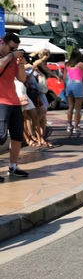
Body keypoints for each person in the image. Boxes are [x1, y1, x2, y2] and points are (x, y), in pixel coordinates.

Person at [0, 33, 28, 179]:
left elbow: (22, 79)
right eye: (12, 48)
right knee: (0, 137)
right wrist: (11, 55)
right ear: (2, 43)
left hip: (14, 102)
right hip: (1, 102)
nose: (14, 51)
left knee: (17, 136)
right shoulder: (6, 58)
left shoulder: (11, 60)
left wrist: (21, 63)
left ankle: (13, 166)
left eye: (16, 49)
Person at [64, 49, 83, 133]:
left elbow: (64, 77)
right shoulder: (81, 64)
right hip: (77, 84)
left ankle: (69, 125)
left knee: (70, 106)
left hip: (69, 84)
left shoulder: (67, 64)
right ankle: (76, 127)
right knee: (78, 108)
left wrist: (65, 87)